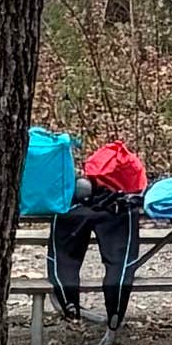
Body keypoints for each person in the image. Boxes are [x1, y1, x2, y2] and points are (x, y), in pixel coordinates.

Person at [48, 130, 147, 328]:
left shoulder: (71, 200)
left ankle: (68, 303)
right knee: (119, 260)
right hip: (117, 210)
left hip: (75, 209)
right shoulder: (124, 204)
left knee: (65, 255)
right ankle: (115, 310)